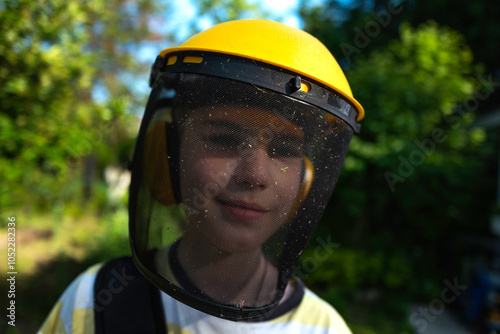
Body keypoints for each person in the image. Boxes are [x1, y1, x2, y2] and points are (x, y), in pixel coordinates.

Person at [38, 18, 364, 333]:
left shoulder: (324, 328)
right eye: (224, 139)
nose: (255, 175)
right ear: (165, 155)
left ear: (303, 183)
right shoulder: (94, 303)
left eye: (284, 149)